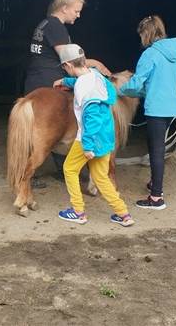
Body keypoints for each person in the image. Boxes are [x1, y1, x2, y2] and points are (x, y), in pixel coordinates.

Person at [24, 0, 110, 188]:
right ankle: (53, 168)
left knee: (37, 127)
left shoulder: (45, 23)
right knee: (68, 121)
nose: (78, 15)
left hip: (35, 78)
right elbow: (68, 58)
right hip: (51, 80)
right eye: (76, 11)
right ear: (64, 8)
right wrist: (96, 64)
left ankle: (55, 168)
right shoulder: (56, 26)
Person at [52, 44, 134, 227]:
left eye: (64, 68)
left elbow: (92, 119)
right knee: (101, 177)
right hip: (106, 137)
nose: (65, 71)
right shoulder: (95, 76)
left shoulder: (84, 90)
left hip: (89, 139)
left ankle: (78, 211)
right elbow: (89, 84)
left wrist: (88, 146)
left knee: (70, 169)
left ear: (68, 65)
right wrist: (65, 82)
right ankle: (123, 213)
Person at [120, 15, 176, 210]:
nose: (141, 40)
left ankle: (156, 197)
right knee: (156, 145)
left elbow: (137, 83)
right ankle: (155, 182)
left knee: (156, 149)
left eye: (141, 35)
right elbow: (156, 83)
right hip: (171, 106)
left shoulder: (150, 54)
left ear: (146, 33)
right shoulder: (173, 52)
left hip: (156, 107)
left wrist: (118, 90)